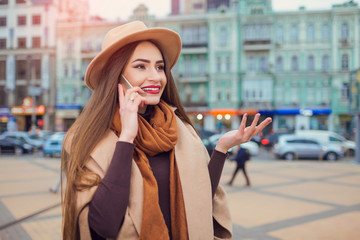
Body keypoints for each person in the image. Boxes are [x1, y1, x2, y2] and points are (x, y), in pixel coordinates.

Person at [61, 21, 272, 240]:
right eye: (141, 66)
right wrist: (126, 138)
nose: (156, 77)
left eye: (160, 67)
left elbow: (197, 204)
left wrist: (222, 148)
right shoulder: (88, 139)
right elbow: (101, 228)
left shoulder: (181, 130)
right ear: (116, 76)